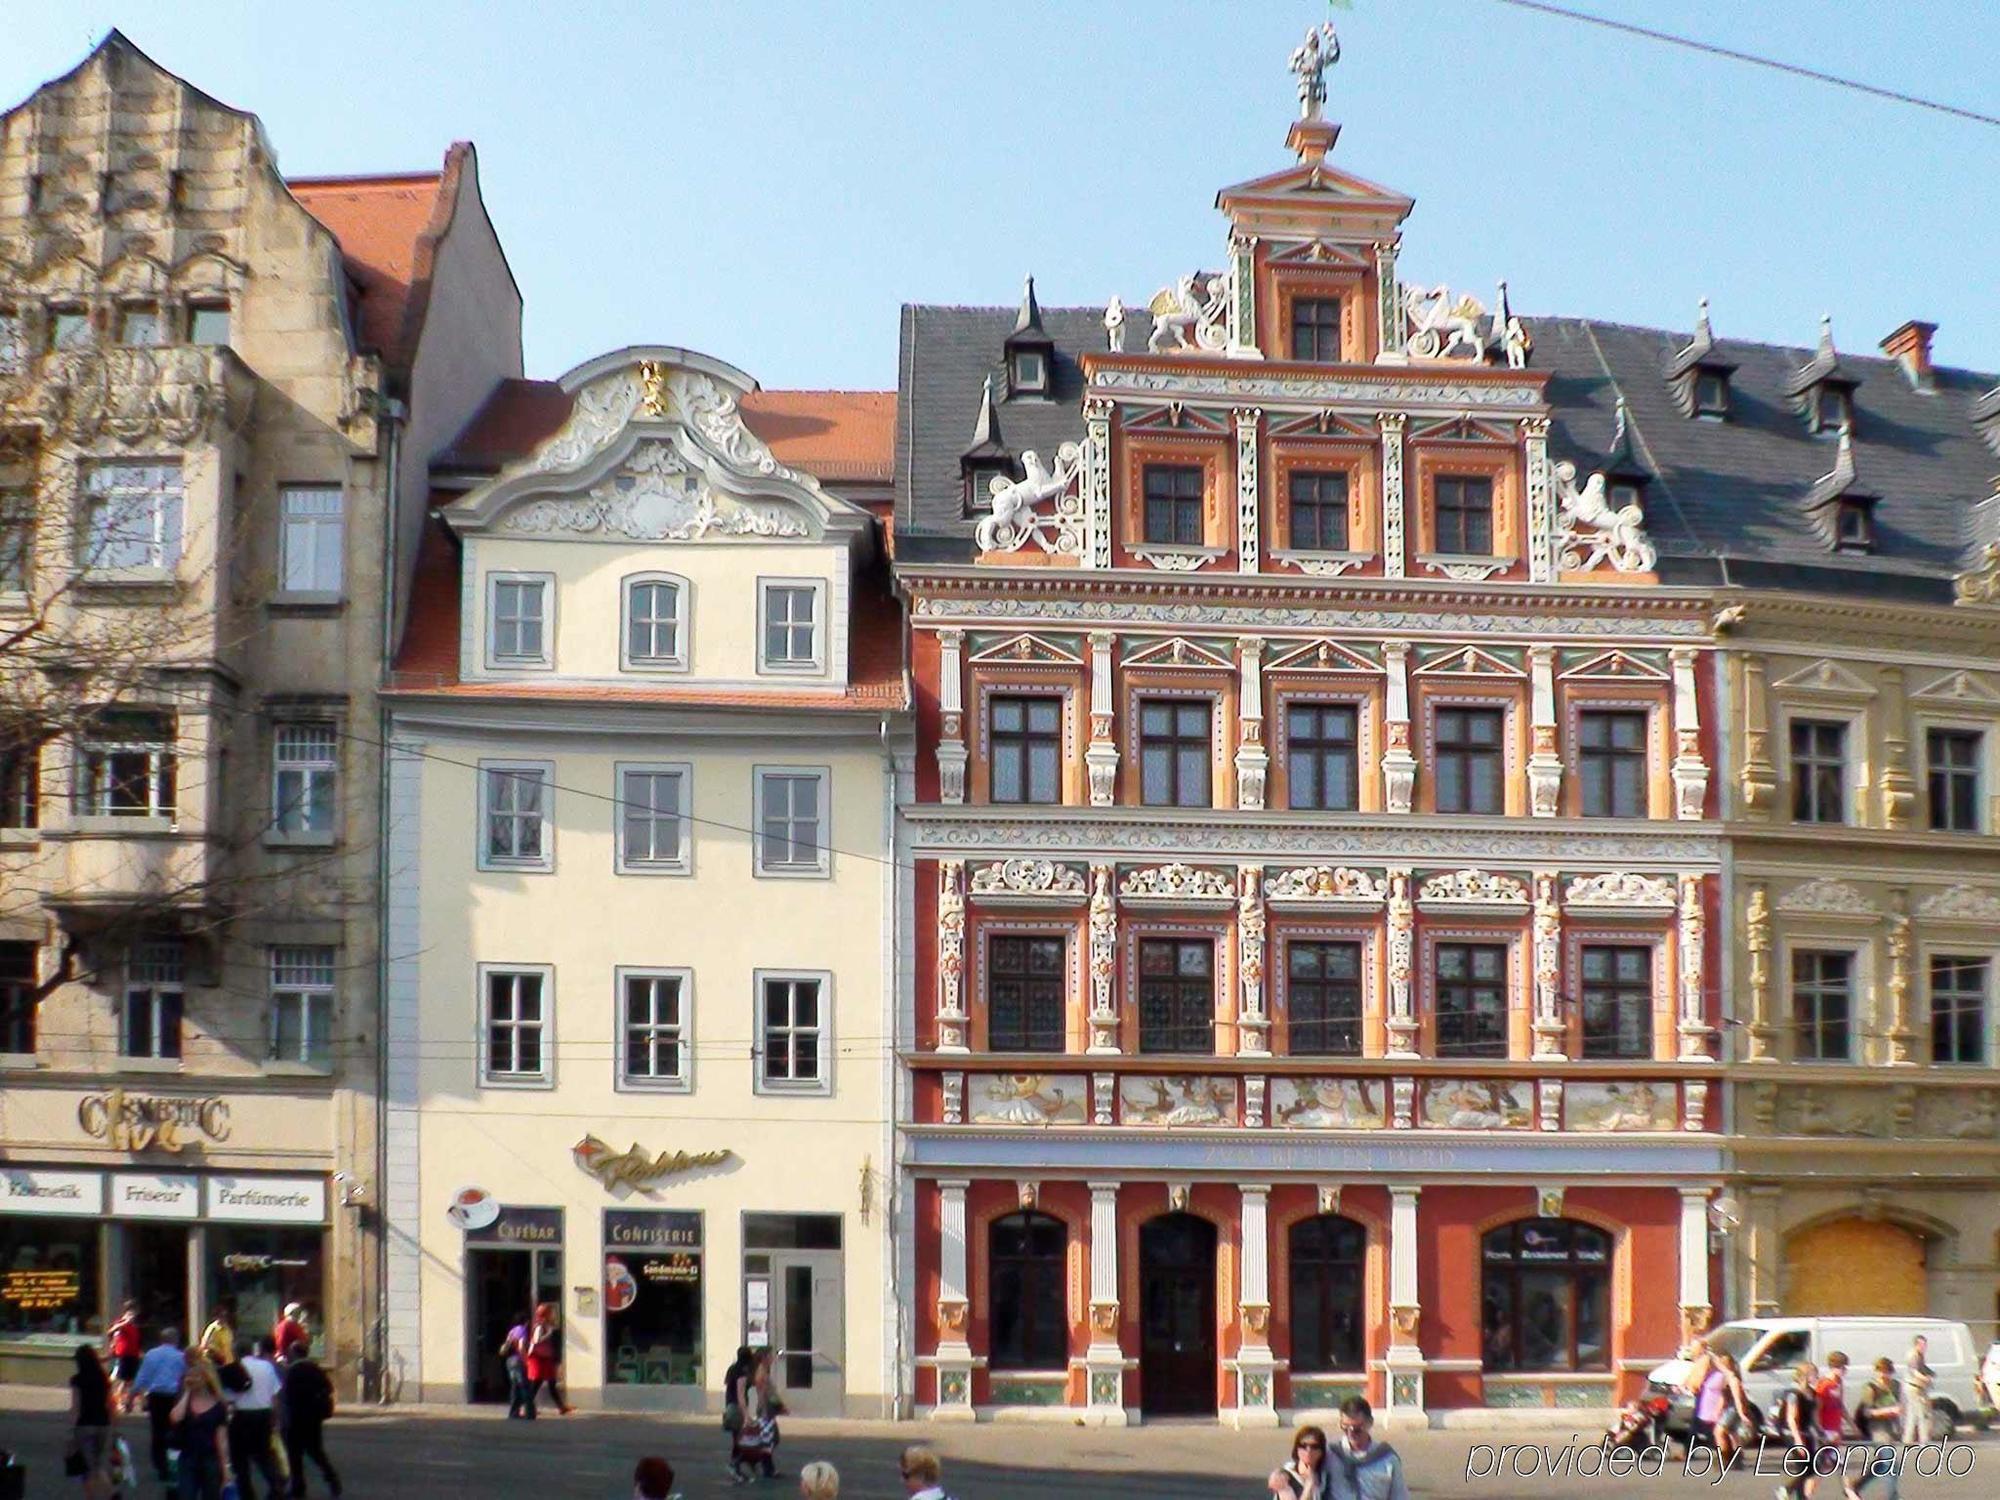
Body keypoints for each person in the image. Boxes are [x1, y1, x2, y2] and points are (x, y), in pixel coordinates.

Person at [280, 1340, 341, 1499]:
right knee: (316, 1452)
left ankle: (298, 1489)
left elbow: (286, 1397)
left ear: (293, 1354)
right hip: (313, 1419)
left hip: (295, 1420)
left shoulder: (291, 1372)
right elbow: (328, 1388)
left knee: (295, 1457)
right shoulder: (316, 1369)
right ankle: (331, 1477)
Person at [228, 1336, 286, 1500]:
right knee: (264, 1455)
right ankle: (276, 1486)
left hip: (242, 1416)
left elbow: (228, 1397)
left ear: (235, 1352)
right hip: (263, 1414)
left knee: (240, 1460)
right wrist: (275, 1418)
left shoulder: (235, 1368)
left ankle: (247, 1494)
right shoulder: (266, 1366)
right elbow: (275, 1395)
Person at [130, 1326, 188, 1485]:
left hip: (156, 1397)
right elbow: (185, 1378)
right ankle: (174, 1463)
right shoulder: (181, 1357)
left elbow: (142, 1378)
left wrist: (131, 1396)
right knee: (174, 1430)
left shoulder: (151, 1355)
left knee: (158, 1432)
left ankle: (161, 1465)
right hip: (174, 1398)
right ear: (176, 1340)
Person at [171, 1355, 232, 1500]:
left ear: (206, 1379)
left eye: (196, 1377)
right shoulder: (185, 1402)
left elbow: (221, 1440)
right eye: (189, 1377)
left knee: (211, 1495)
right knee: (186, 1494)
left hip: (210, 1458)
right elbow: (175, 1418)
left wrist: (225, 1468)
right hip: (187, 1457)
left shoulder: (218, 1406)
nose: (191, 1380)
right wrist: (187, 1392)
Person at [1325, 1396, 1409, 1500]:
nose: (1351, 1433)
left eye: (1357, 1429)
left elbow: (1399, 1496)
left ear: (1370, 1423)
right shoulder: (1330, 1456)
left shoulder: (1388, 1459)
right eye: (1345, 1427)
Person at [69, 1344, 117, 1500]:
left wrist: (73, 1428)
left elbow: (75, 1406)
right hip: (103, 1424)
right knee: (98, 1463)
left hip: (85, 1425)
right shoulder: (103, 1378)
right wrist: (112, 1423)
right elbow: (110, 1403)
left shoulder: (77, 1380)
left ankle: (94, 1496)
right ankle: (110, 1493)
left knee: (87, 1466)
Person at [730, 1352, 780, 1484]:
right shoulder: (741, 1373)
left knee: (749, 1439)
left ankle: (753, 1464)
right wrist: (746, 1415)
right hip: (736, 1410)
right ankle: (737, 1464)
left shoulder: (735, 1370)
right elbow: (741, 1395)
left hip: (733, 1408)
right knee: (746, 1440)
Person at [1774, 1361, 1820, 1500]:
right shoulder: (1794, 1394)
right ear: (1805, 1376)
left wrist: (1821, 1432)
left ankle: (1790, 1491)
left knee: (1812, 1469)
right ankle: (1788, 1490)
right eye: (1814, 1374)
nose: (1816, 1377)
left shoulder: (1812, 1393)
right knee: (1804, 1469)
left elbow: (1814, 1417)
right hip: (1792, 1434)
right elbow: (1791, 1419)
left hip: (1806, 1433)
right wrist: (1798, 1441)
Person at [523, 1302, 573, 1415]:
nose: (553, 1315)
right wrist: (548, 1334)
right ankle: (526, 1407)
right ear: (545, 1314)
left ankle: (561, 1407)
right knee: (536, 1383)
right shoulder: (540, 1326)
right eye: (551, 1313)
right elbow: (536, 1340)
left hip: (545, 1358)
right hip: (538, 1359)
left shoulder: (545, 1325)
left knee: (551, 1383)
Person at [1712, 1352, 1753, 1468]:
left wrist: (1742, 1413)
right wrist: (1718, 1410)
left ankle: (1725, 1458)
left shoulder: (1733, 1379)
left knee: (1719, 1432)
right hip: (1730, 1407)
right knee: (1732, 1433)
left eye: (1722, 1364)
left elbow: (1738, 1398)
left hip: (1734, 1408)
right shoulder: (1726, 1378)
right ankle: (1736, 1458)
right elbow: (1723, 1396)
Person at [1267, 1424, 1330, 1497]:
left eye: (1314, 1446)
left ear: (1321, 1451)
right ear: (1297, 1449)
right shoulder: (1285, 1478)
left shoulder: (1323, 1476)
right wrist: (1309, 1484)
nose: (1308, 1450)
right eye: (1303, 1446)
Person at [107, 1301, 144, 1414]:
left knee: (133, 1381)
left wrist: (140, 1352)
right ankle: (119, 1403)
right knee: (123, 1381)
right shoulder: (121, 1324)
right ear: (126, 1312)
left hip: (134, 1356)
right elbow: (111, 1332)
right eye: (131, 1312)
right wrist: (124, 1323)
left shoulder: (134, 1327)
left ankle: (131, 1402)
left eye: (135, 1313)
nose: (133, 1315)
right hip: (124, 1356)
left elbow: (136, 1341)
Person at [1855, 1358, 1903, 1441]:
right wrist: (1886, 1411)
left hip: (1893, 1425)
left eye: (1886, 1371)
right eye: (1880, 1371)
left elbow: (1898, 1403)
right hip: (1877, 1426)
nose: (1883, 1375)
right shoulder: (1870, 1387)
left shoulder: (1896, 1385)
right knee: (1885, 1452)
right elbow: (1867, 1412)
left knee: (1890, 1451)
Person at [1900, 1336, 1932, 1445]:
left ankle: (1907, 1439)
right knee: (1922, 1414)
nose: (1924, 1347)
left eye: (1925, 1345)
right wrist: (1925, 1379)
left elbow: (1923, 1368)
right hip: (1914, 1387)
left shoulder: (1919, 1355)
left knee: (1912, 1414)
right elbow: (1914, 1371)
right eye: (1922, 1345)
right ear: (1916, 1345)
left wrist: (1930, 1373)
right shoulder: (1913, 1355)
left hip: (1915, 1386)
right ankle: (1924, 1440)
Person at [501, 1315, 532, 1419]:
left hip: (509, 1361)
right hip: (518, 1360)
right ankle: (529, 1412)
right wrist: (526, 1360)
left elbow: (506, 1345)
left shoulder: (512, 1331)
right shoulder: (522, 1330)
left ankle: (513, 1413)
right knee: (524, 1387)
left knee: (515, 1387)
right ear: (526, 1321)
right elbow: (521, 1346)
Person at [198, 1303, 237, 1368]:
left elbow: (230, 1346)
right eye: (221, 1316)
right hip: (218, 1365)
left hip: (229, 1364)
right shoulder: (212, 1329)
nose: (223, 1318)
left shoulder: (227, 1329)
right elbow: (207, 1348)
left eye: (225, 1316)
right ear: (215, 1317)